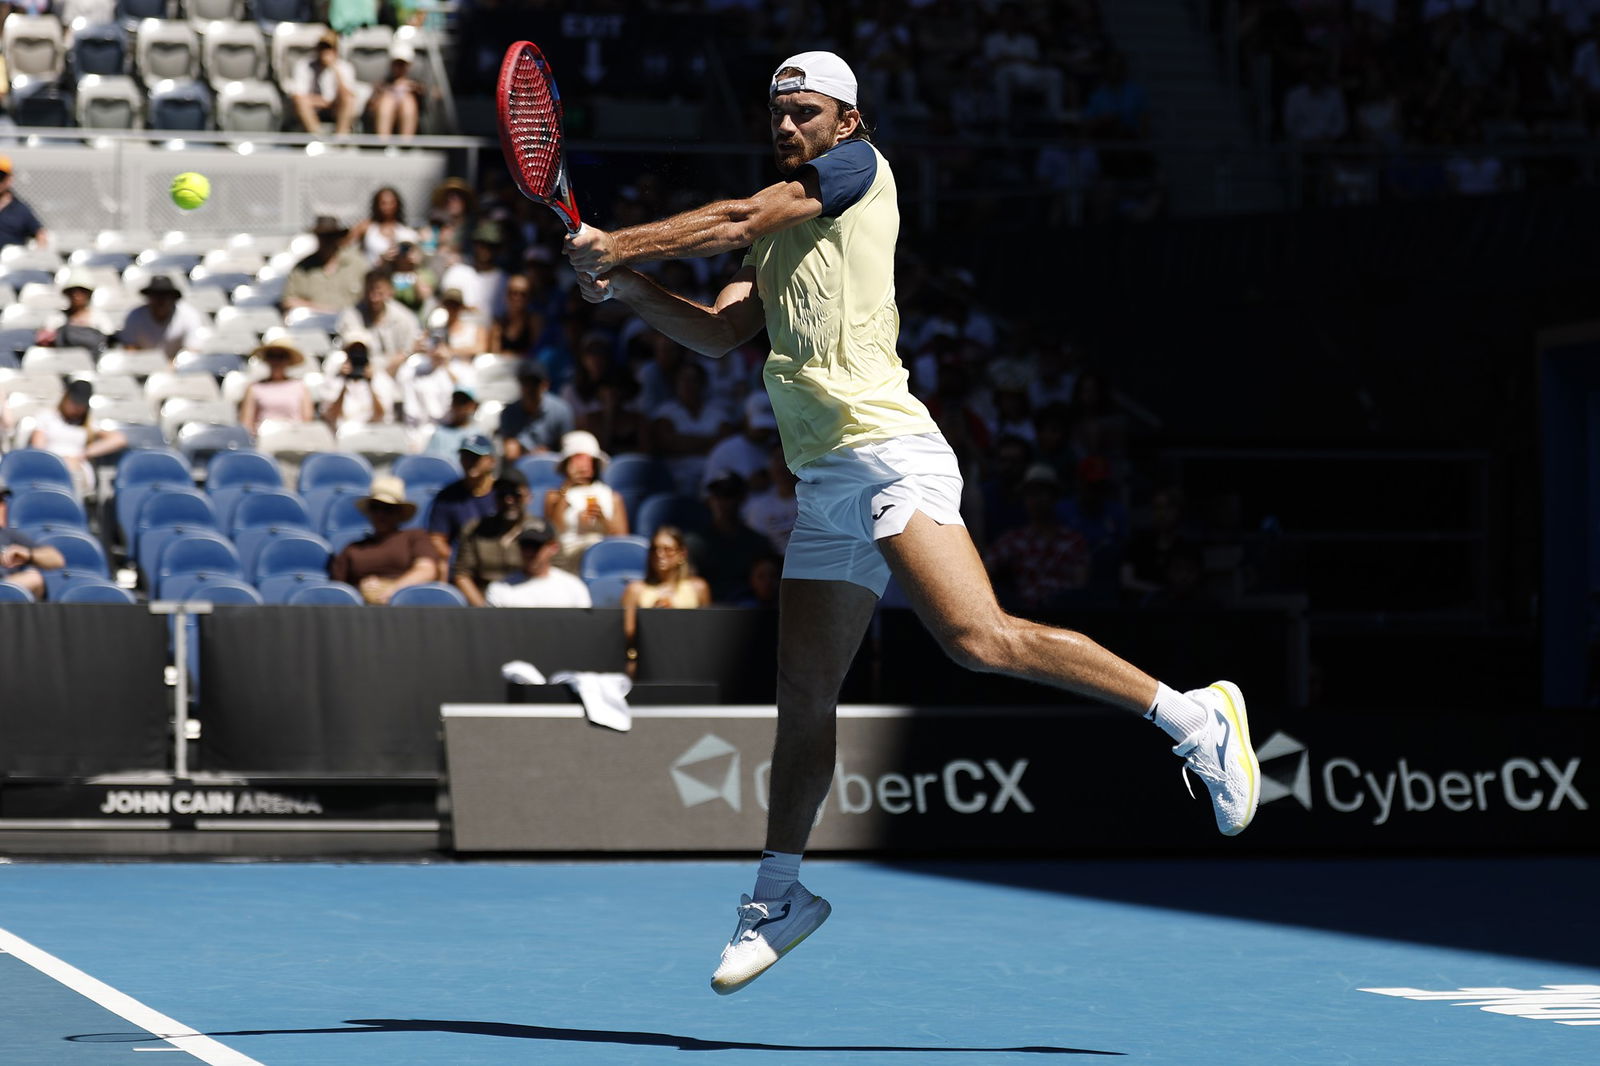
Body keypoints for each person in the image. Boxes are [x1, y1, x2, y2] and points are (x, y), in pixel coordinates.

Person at [563, 50, 1261, 995]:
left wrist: (621, 246)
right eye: (777, 112)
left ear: (847, 121)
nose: (787, 125)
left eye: (805, 112)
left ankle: (1193, 718)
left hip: (892, 453)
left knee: (979, 638)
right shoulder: (770, 233)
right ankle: (779, 896)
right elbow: (724, 332)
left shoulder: (855, 170)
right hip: (824, 483)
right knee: (803, 699)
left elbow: (733, 216)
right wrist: (629, 292)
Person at [983, 463, 1090, 611]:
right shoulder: (1014, 540)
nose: (1036, 500)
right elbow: (983, 568)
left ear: (1054, 497)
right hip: (1027, 615)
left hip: (1066, 615)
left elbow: (1081, 584)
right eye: (1031, 494)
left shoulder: (1073, 541)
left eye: (1042, 493)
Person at [329, 475, 442, 604]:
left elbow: (426, 570)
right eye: (375, 508)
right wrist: (360, 590)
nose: (380, 514)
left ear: (399, 512)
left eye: (388, 509)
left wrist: (393, 589)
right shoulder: (353, 548)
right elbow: (337, 589)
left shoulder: (415, 537)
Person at [620, 525, 711, 670]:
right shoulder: (635, 590)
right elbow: (627, 636)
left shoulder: (698, 588)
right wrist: (652, 618)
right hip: (648, 659)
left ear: (682, 554)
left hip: (688, 658)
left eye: (668, 549)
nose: (660, 554)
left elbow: (706, 632)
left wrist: (674, 618)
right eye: (655, 549)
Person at [544, 429, 628, 572]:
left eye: (588, 460)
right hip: (567, 557)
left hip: (602, 555)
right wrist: (566, 489)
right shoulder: (554, 496)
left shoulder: (611, 497)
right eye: (577, 459)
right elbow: (554, 531)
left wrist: (602, 519)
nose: (583, 465)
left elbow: (621, 540)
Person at [29, 379, 127, 496]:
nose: (77, 408)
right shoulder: (47, 417)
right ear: (66, 397)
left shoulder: (89, 423)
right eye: (74, 402)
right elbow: (38, 448)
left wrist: (85, 453)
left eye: (81, 405)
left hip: (78, 467)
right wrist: (60, 461)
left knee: (72, 469)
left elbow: (118, 439)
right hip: (50, 464)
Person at [453, 473, 534, 606]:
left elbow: (554, 573)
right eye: (502, 495)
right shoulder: (475, 530)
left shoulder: (540, 531)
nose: (509, 500)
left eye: (515, 494)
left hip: (530, 603)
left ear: (528, 497)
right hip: (486, 601)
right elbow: (462, 574)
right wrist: (484, 611)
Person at [484, 521, 594, 608]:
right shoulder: (500, 589)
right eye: (525, 545)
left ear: (553, 548)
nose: (530, 553)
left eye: (536, 546)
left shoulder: (573, 587)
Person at [426, 432, 498, 560]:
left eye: (476, 457)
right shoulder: (448, 496)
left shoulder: (503, 492)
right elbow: (437, 537)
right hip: (462, 564)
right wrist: (455, 560)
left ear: (491, 461)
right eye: (466, 457)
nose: (470, 462)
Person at [336, 268, 422, 371]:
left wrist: (382, 368)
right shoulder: (351, 315)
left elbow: (406, 353)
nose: (373, 298)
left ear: (390, 292)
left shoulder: (405, 319)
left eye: (379, 293)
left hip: (395, 373)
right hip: (358, 369)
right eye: (369, 292)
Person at [283, 216, 369, 314]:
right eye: (323, 237)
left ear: (338, 238)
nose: (327, 241)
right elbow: (288, 301)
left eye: (331, 237)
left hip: (350, 323)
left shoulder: (356, 264)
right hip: (314, 322)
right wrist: (321, 309)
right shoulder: (303, 268)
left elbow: (372, 295)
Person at [0, 476, 65, 599]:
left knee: (33, 577)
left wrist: (29, 554)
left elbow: (57, 559)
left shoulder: (7, 534)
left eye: (3, 500)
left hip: (6, 596)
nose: (2, 507)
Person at [290, 28, 362, 136]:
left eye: (329, 48)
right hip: (314, 107)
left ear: (336, 51)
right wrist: (323, 102)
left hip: (335, 108)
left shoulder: (345, 67)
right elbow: (298, 95)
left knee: (349, 100)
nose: (325, 52)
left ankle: (340, 139)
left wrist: (334, 69)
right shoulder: (305, 65)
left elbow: (348, 94)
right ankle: (317, 137)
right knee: (300, 101)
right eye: (322, 48)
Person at [320, 331, 397, 431]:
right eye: (353, 351)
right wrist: (344, 383)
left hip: (373, 434)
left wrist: (370, 383)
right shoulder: (334, 380)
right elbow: (331, 415)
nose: (357, 356)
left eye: (361, 351)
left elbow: (381, 415)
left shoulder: (381, 380)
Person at [117, 275, 208, 358]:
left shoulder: (189, 315)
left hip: (179, 369)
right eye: (156, 295)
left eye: (165, 295)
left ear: (173, 298)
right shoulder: (135, 316)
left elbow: (193, 351)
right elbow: (129, 348)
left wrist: (172, 365)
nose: (161, 300)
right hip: (144, 368)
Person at [499, 362, 574, 461]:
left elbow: (567, 448)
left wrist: (548, 454)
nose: (530, 388)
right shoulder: (509, 413)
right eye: (526, 382)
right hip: (521, 466)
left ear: (545, 385)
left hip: (555, 465)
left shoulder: (561, 410)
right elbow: (511, 452)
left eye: (535, 383)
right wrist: (532, 456)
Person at [238, 341, 315, 435]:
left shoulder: (300, 386)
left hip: (294, 438)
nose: (276, 361)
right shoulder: (254, 388)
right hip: (262, 439)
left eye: (281, 357)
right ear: (267, 359)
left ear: (288, 360)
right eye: (272, 356)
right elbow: (246, 423)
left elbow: (307, 420)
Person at [37, 267, 114, 354]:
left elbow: (109, 341)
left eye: (82, 291)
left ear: (89, 293)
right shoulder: (56, 318)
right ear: (67, 293)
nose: (77, 295)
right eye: (73, 291)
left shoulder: (100, 317)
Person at [368, 40, 426, 140]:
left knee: (407, 102)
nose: (399, 68)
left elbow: (424, 105)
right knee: (387, 102)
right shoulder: (382, 85)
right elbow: (371, 105)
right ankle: (383, 141)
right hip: (383, 110)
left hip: (408, 110)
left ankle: (405, 142)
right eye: (397, 64)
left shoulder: (415, 86)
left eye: (402, 64)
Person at [348, 186, 419, 266]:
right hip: (373, 273)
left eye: (391, 203)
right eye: (383, 203)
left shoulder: (406, 231)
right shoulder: (367, 227)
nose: (388, 207)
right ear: (377, 205)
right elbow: (346, 246)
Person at [0, 154, 47, 250]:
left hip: (11, 261)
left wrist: (38, 256)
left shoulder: (20, 209)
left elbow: (40, 234)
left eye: (0, 177)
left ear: (9, 180)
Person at [421, 386, 479, 456]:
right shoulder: (440, 434)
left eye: (464, 402)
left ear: (473, 405)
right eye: (456, 401)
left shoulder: (479, 435)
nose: (460, 407)